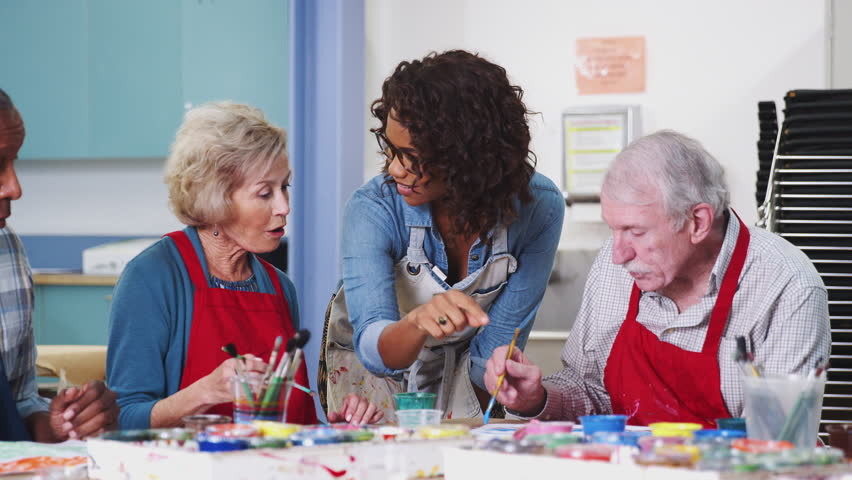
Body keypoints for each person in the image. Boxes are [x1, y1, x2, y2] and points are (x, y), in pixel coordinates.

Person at [484, 130, 831, 427]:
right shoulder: (615, 261)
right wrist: (536, 398)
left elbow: (781, 443)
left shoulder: (786, 286)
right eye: (614, 229)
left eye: (635, 231)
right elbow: (590, 390)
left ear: (698, 222)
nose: (619, 254)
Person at [107, 101, 382, 429]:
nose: (284, 207)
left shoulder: (279, 287)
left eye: (285, 187)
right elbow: (122, 420)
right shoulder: (152, 278)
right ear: (216, 199)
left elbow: (290, 423)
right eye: (265, 193)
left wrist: (334, 429)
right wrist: (203, 393)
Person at [321, 50, 564, 420]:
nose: (394, 169)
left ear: (466, 157)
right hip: (374, 373)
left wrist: (506, 381)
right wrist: (418, 321)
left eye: (410, 155)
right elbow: (375, 351)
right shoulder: (372, 208)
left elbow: (491, 350)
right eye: (391, 150)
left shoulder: (539, 208)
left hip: (466, 369)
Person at [0, 88, 119, 441]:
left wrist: (60, 423)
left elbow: (20, 403)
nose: (14, 187)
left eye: (13, 163)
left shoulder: (8, 252)